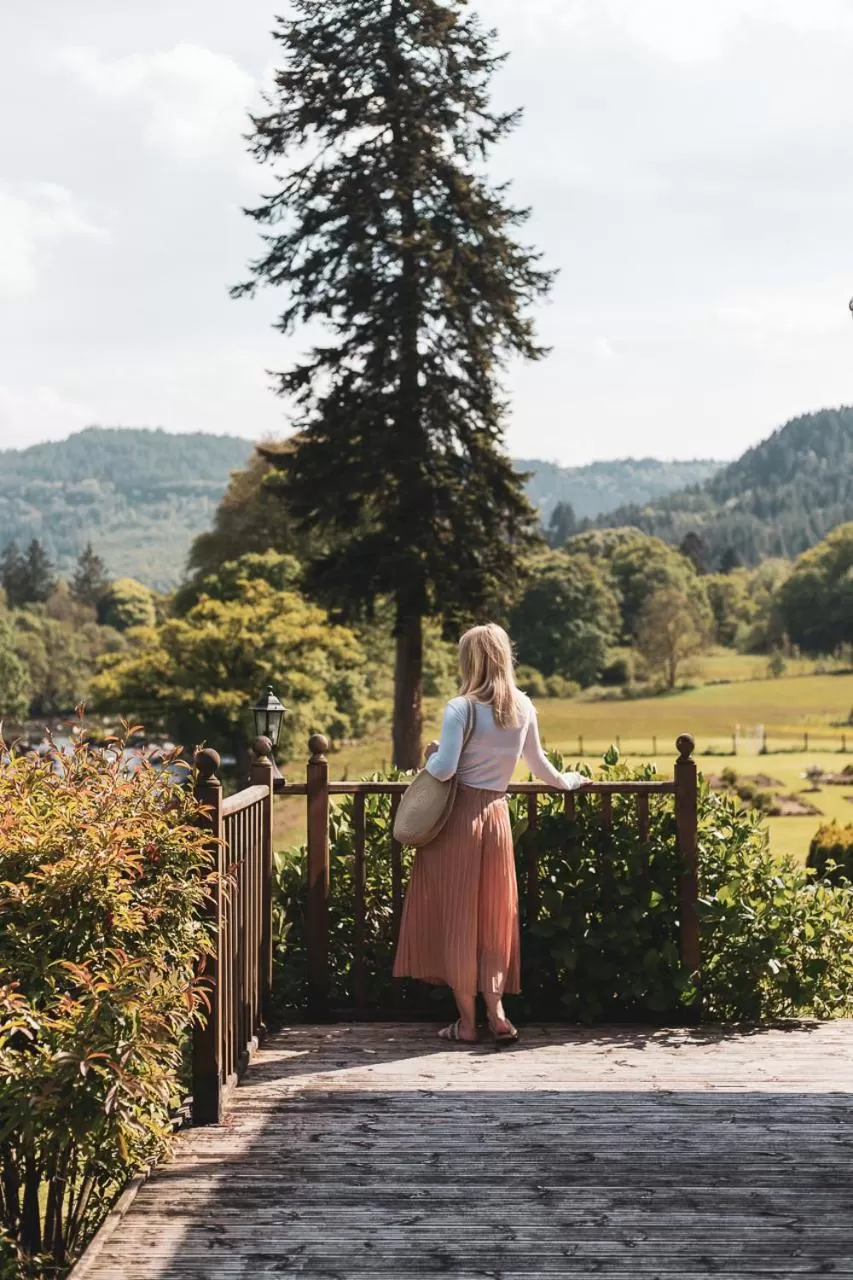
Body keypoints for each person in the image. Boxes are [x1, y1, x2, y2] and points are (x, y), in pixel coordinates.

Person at [393, 623, 589, 1045]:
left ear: (470, 661)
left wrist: (429, 757)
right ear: (504, 657)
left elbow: (444, 770)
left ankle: (466, 1023)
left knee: (459, 918)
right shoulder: (523, 707)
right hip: (496, 817)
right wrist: (572, 781)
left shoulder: (460, 708)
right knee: (495, 916)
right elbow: (543, 770)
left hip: (457, 819)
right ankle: (498, 1014)